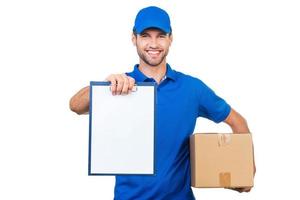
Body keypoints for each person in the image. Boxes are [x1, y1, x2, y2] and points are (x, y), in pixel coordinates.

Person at [69, 6, 256, 200]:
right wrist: (104, 87)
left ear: (170, 39)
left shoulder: (192, 89)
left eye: (160, 36)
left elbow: (237, 121)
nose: (153, 43)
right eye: (145, 36)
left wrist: (247, 170)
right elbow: (75, 105)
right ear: (134, 39)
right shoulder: (121, 86)